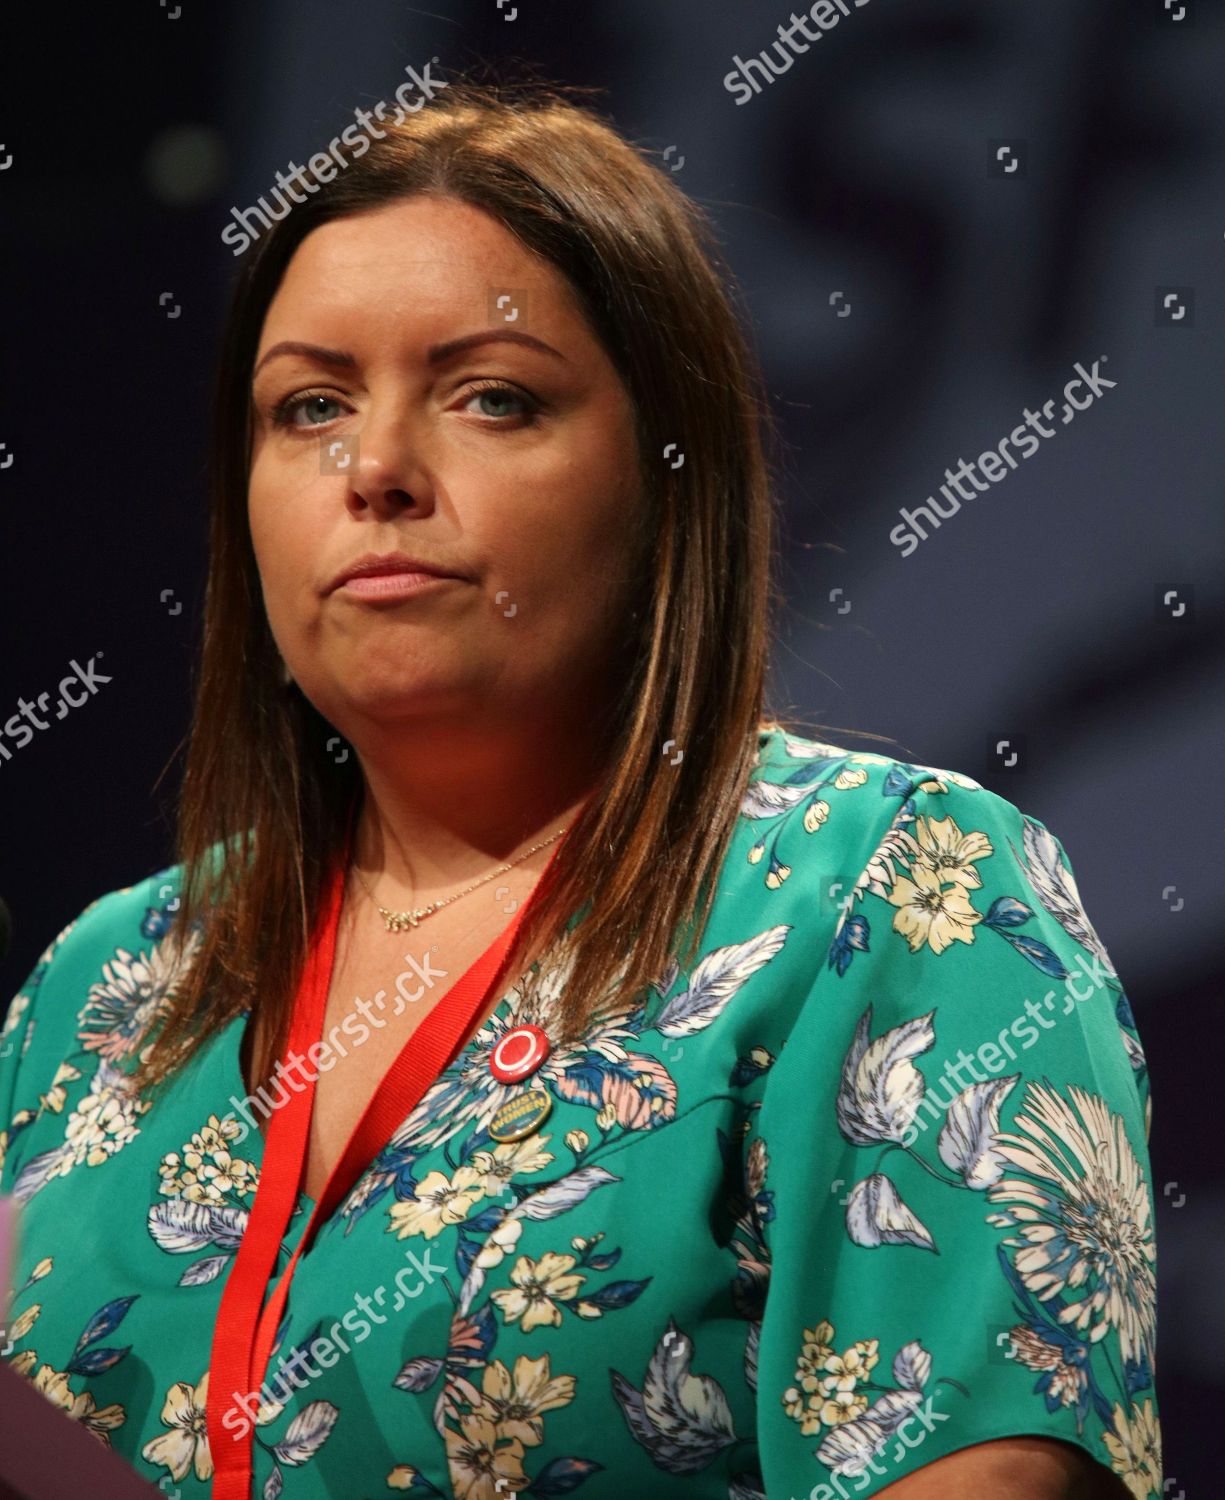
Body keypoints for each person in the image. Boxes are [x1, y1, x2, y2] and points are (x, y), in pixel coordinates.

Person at [0, 78, 1159, 1500]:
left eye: (492, 397)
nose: (374, 470)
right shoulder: (109, 982)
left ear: (670, 482)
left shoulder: (891, 890)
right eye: (309, 406)